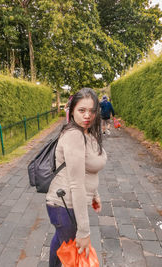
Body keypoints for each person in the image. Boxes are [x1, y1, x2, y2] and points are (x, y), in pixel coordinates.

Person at [46, 88, 107, 267]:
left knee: (62, 245)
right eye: (82, 110)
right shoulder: (74, 135)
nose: (87, 115)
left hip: (69, 204)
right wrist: (84, 231)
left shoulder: (86, 133)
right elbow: (77, 184)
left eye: (92, 110)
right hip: (64, 205)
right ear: (72, 110)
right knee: (66, 249)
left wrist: (95, 194)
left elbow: (88, 170)